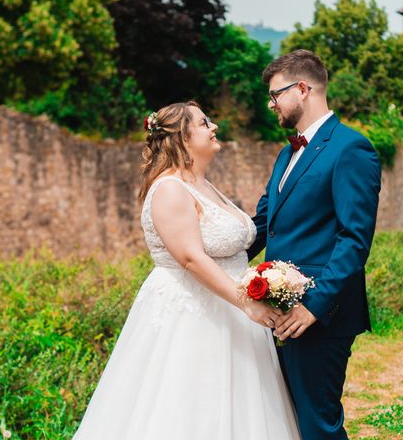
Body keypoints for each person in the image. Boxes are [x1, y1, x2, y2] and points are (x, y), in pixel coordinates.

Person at [72, 101, 301, 439]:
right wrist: (246, 302)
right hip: (195, 316)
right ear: (181, 137)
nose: (214, 127)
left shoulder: (203, 185)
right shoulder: (169, 189)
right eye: (204, 122)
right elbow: (191, 258)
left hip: (233, 313)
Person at [248, 50, 382, 440]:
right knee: (288, 421)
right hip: (280, 311)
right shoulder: (285, 155)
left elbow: (354, 238)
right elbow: (261, 226)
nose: (271, 104)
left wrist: (314, 306)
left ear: (303, 89)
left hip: (320, 315)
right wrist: (204, 257)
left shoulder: (351, 149)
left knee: (317, 425)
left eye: (275, 95)